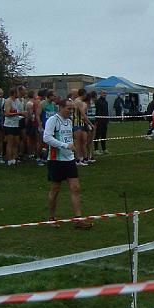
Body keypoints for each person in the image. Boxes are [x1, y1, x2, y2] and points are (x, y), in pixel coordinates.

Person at [42, 98, 93, 229]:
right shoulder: (53, 120)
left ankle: (78, 219)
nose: (71, 111)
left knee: (76, 188)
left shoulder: (69, 121)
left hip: (69, 160)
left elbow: (69, 138)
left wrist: (72, 151)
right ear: (61, 108)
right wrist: (65, 145)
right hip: (56, 160)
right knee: (55, 189)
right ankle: (51, 218)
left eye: (72, 109)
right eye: (68, 108)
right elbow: (47, 137)